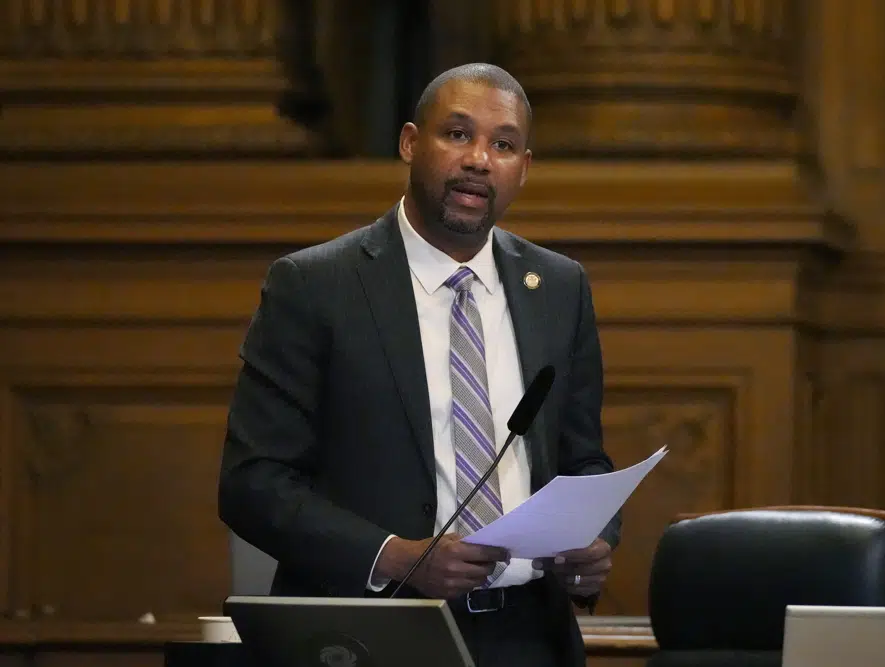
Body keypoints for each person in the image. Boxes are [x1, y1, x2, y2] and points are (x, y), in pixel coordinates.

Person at [218, 62, 621, 667]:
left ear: (523, 168)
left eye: (503, 144)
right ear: (410, 142)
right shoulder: (316, 285)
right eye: (458, 135)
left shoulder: (559, 288)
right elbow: (252, 482)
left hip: (529, 639)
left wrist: (592, 545)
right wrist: (396, 556)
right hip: (378, 635)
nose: (479, 159)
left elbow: (583, 457)